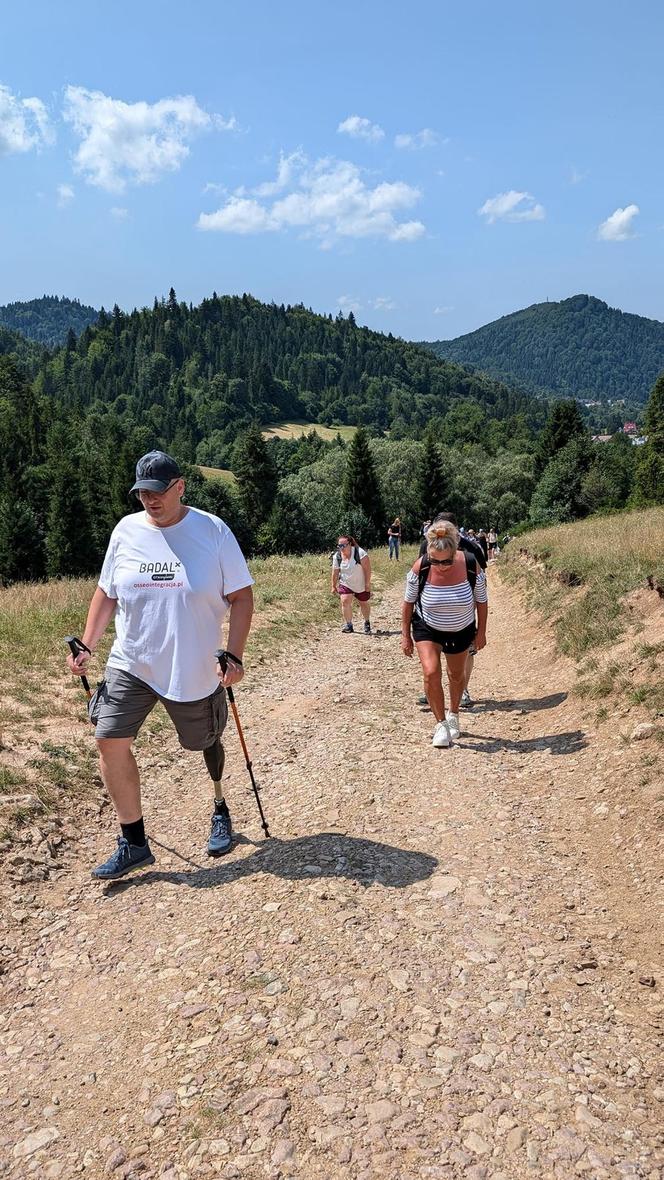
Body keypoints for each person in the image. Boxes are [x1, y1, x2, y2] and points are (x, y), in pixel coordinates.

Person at [66, 450, 254, 880]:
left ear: (180, 487)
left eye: (157, 492)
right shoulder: (126, 531)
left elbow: (242, 597)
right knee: (109, 738)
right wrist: (88, 645)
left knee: (204, 739)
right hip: (132, 661)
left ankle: (219, 805)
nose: (149, 500)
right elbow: (107, 592)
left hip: (192, 667)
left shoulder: (212, 530)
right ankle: (134, 842)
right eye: (142, 493)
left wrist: (235, 655)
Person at [403, 520, 488, 747]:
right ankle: (440, 724)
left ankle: (453, 714)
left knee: (456, 675)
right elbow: (408, 602)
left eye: (447, 561)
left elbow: (482, 600)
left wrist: (482, 632)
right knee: (431, 673)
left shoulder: (471, 564)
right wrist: (405, 636)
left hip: (461, 629)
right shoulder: (419, 567)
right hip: (426, 627)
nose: (441, 566)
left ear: (456, 551)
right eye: (435, 561)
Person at [417, 511, 487, 710]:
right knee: (431, 656)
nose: (442, 531)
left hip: (463, 610)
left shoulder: (471, 548)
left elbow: (481, 581)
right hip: (433, 609)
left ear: (456, 531)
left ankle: (462, 689)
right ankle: (431, 689)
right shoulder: (426, 545)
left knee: (466, 653)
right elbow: (422, 575)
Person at [331, 535, 372, 634]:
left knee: (363, 603)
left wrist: (367, 583)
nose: (341, 548)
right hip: (345, 583)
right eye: (339, 546)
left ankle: (367, 622)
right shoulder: (337, 556)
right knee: (345, 601)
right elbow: (335, 571)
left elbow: (367, 570)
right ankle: (349, 625)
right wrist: (333, 585)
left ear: (350, 544)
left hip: (360, 583)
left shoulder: (360, 553)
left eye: (344, 545)